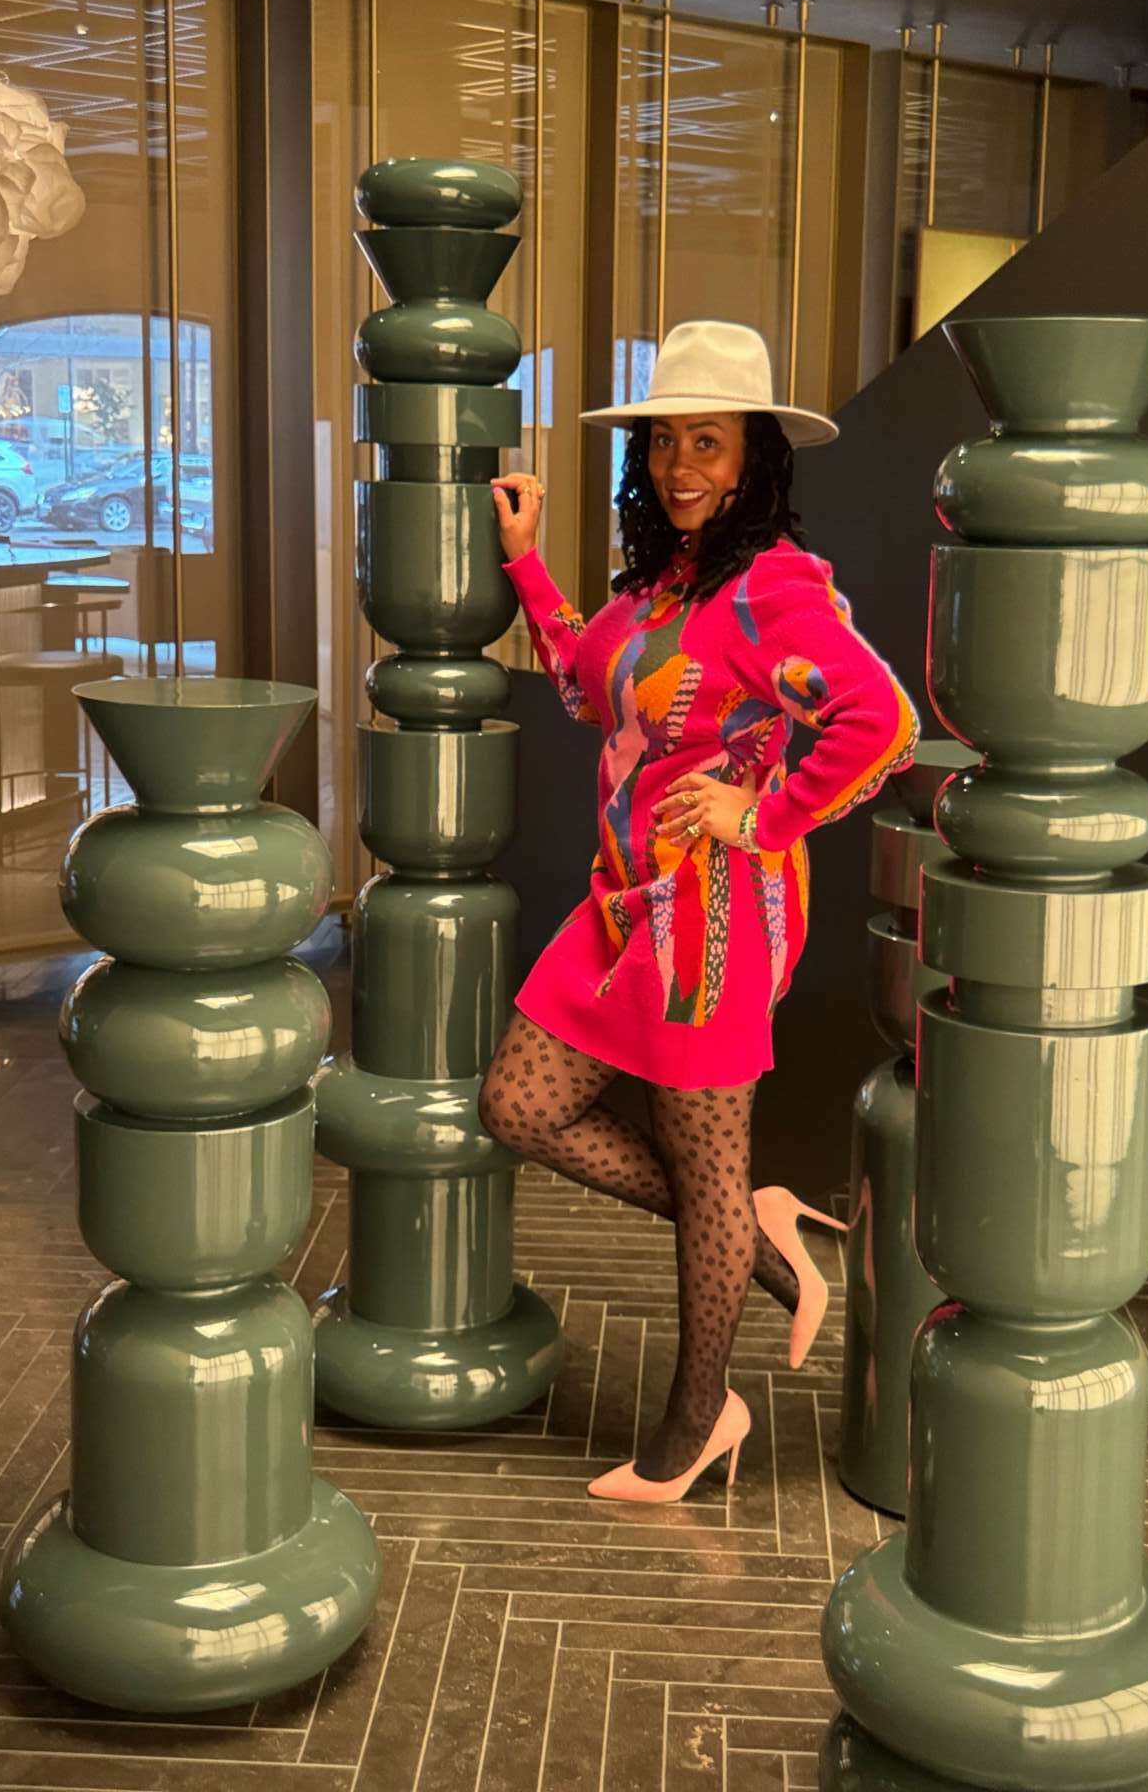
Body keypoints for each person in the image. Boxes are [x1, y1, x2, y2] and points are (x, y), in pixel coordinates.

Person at [478, 320, 920, 1504]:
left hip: (713, 923)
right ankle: (756, 1226)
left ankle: (699, 1416)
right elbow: (585, 689)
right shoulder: (659, 587)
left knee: (701, 1157)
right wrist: (526, 563)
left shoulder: (773, 585)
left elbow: (881, 721)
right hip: (623, 903)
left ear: (753, 458)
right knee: (518, 1106)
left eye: (708, 443)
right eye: (666, 442)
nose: (680, 466)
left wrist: (765, 813)